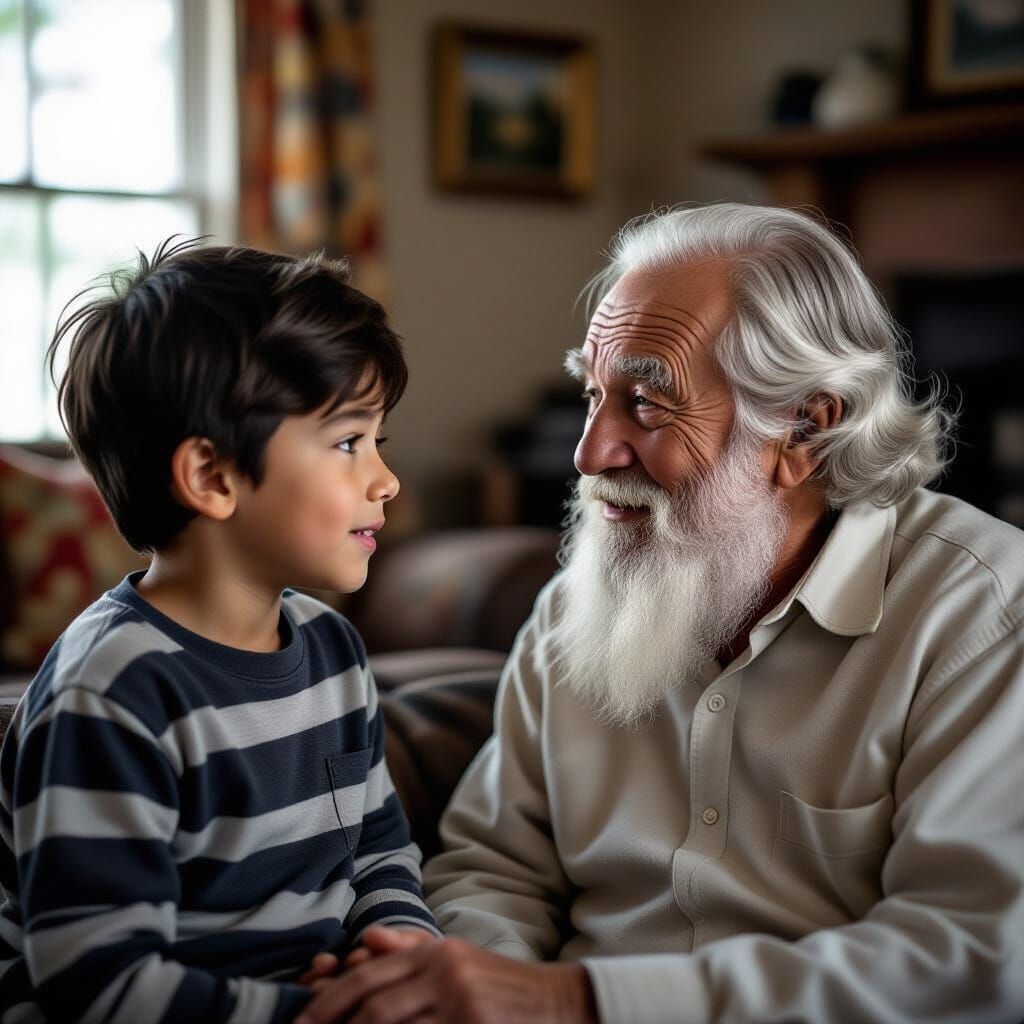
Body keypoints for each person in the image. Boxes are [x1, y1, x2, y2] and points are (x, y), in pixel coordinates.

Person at [296, 204, 1024, 1024]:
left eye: (645, 404)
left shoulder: (985, 615)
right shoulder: (578, 604)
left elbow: (972, 956)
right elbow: (494, 869)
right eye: (591, 394)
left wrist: (573, 1002)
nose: (588, 453)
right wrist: (477, 993)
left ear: (804, 428)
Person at [0, 239, 439, 1024]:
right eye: (347, 443)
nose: (386, 479)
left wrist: (401, 958)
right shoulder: (113, 692)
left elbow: (378, 851)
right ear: (212, 477)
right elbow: (99, 984)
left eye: (380, 441)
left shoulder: (332, 651)